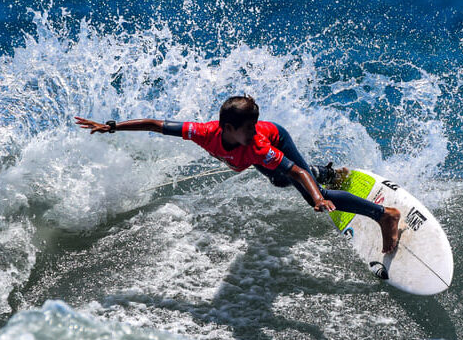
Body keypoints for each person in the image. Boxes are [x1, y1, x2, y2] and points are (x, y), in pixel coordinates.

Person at [74, 95, 401, 253]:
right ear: (227, 128)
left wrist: (316, 198)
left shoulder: (258, 143)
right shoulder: (202, 132)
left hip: (280, 139)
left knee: (308, 187)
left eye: (255, 127)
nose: (253, 131)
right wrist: (112, 126)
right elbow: (157, 125)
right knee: (277, 179)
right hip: (253, 158)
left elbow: (297, 170)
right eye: (248, 128)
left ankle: (384, 215)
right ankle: (328, 173)